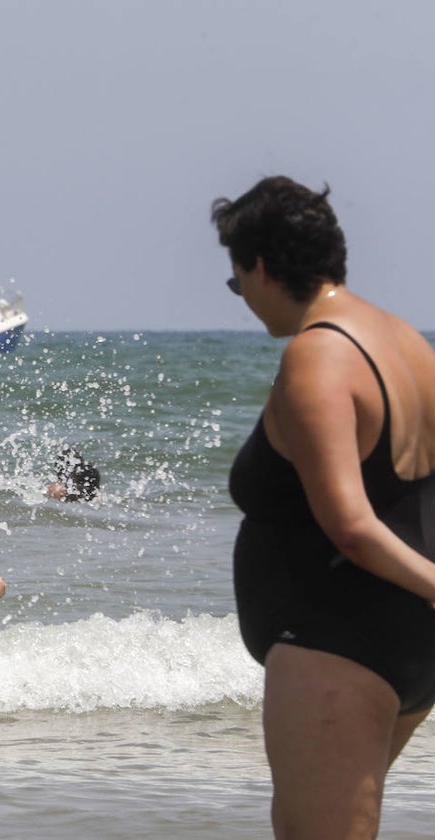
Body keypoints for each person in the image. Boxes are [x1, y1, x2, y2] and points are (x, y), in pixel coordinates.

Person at [215, 175, 435, 838]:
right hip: (401, 640)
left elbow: (351, 525)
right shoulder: (405, 340)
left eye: (236, 282)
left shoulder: (320, 356)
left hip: (339, 643)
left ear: (258, 266)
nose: (245, 301)